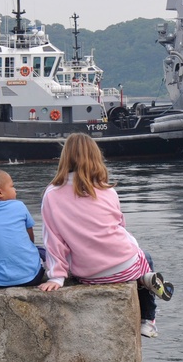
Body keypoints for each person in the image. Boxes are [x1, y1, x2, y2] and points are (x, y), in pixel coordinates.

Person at [38, 133, 174, 338]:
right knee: (144, 257)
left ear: (64, 158)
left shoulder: (52, 194)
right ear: (96, 157)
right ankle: (148, 318)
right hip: (126, 265)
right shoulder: (107, 190)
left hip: (91, 275)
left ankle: (145, 280)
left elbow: (53, 239)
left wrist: (57, 277)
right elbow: (119, 226)